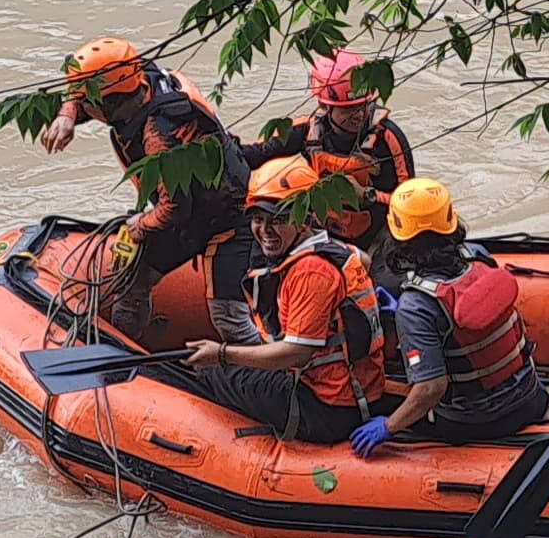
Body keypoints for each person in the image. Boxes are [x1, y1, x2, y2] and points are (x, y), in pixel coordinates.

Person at [39, 38, 248, 342]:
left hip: (227, 214)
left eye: (86, 103)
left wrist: (139, 226)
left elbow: (175, 208)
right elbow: (91, 87)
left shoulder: (158, 137)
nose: (82, 106)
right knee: (132, 280)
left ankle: (263, 375)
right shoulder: (138, 76)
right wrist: (67, 115)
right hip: (192, 207)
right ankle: (123, 352)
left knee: (228, 315)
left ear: (106, 104)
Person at [178, 158, 386, 444]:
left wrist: (222, 353)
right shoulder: (333, 247)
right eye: (258, 219)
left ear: (305, 218)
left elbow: (295, 354)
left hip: (327, 407)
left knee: (211, 374)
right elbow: (364, 260)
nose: (265, 231)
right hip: (351, 390)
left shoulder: (311, 271)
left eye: (278, 219)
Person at [352, 179, 549, 455]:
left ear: (396, 236)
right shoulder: (479, 256)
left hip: (475, 422)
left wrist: (389, 426)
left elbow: (431, 387)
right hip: (530, 397)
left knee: (367, 393)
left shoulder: (415, 305)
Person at [242, 50, 418, 247]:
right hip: (324, 231)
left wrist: (366, 195)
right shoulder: (306, 130)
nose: (359, 115)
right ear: (324, 106)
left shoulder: (388, 138)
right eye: (348, 109)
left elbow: (413, 203)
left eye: (363, 106)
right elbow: (252, 155)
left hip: (378, 236)